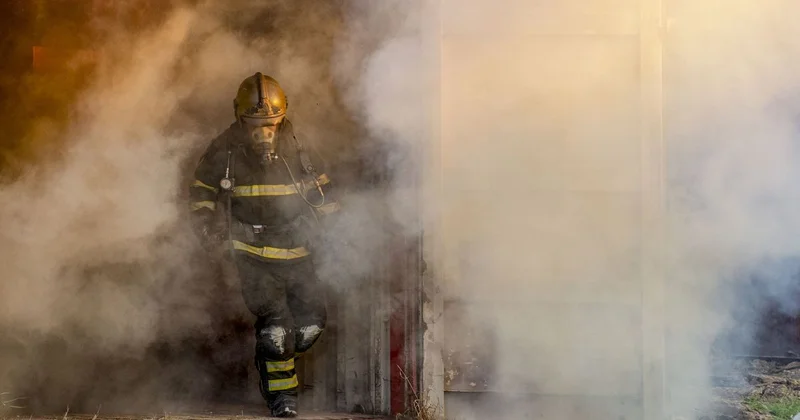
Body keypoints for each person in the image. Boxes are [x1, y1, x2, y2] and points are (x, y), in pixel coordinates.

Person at [188, 72, 342, 417]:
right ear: (240, 118)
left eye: (271, 123)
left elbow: (324, 192)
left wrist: (333, 228)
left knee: (311, 324)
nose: (264, 133)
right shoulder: (224, 150)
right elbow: (201, 190)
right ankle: (282, 399)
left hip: (298, 250)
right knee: (275, 330)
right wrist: (205, 225)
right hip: (250, 251)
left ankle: (272, 356)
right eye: (255, 124)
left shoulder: (301, 148)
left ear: (282, 116)